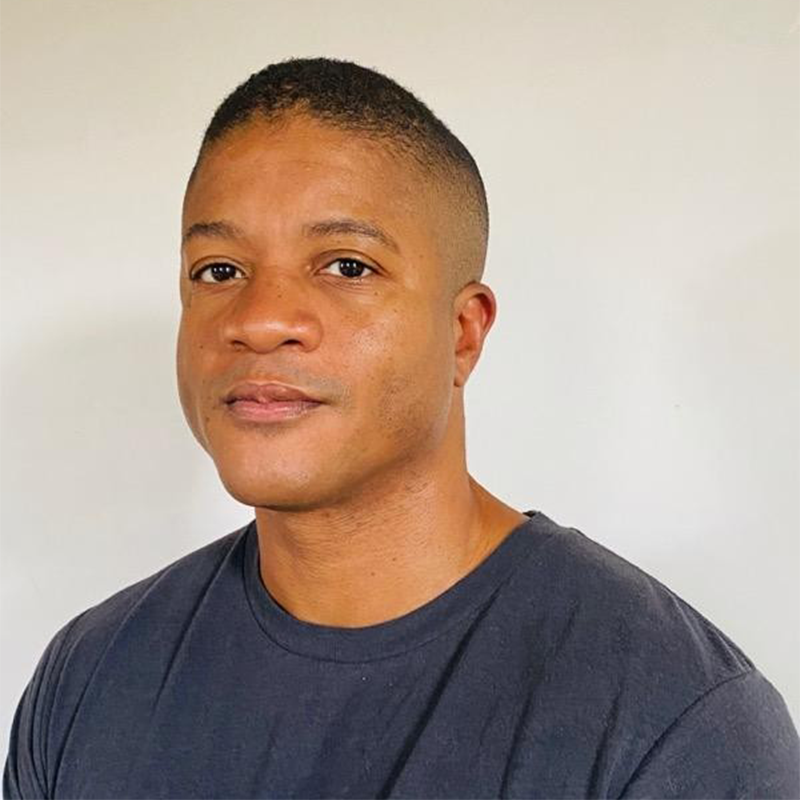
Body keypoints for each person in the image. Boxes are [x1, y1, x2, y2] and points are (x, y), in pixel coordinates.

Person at [3, 57, 798, 800]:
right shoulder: (91, 675)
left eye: (346, 265)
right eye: (219, 271)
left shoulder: (674, 721)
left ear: (463, 332)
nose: (259, 319)